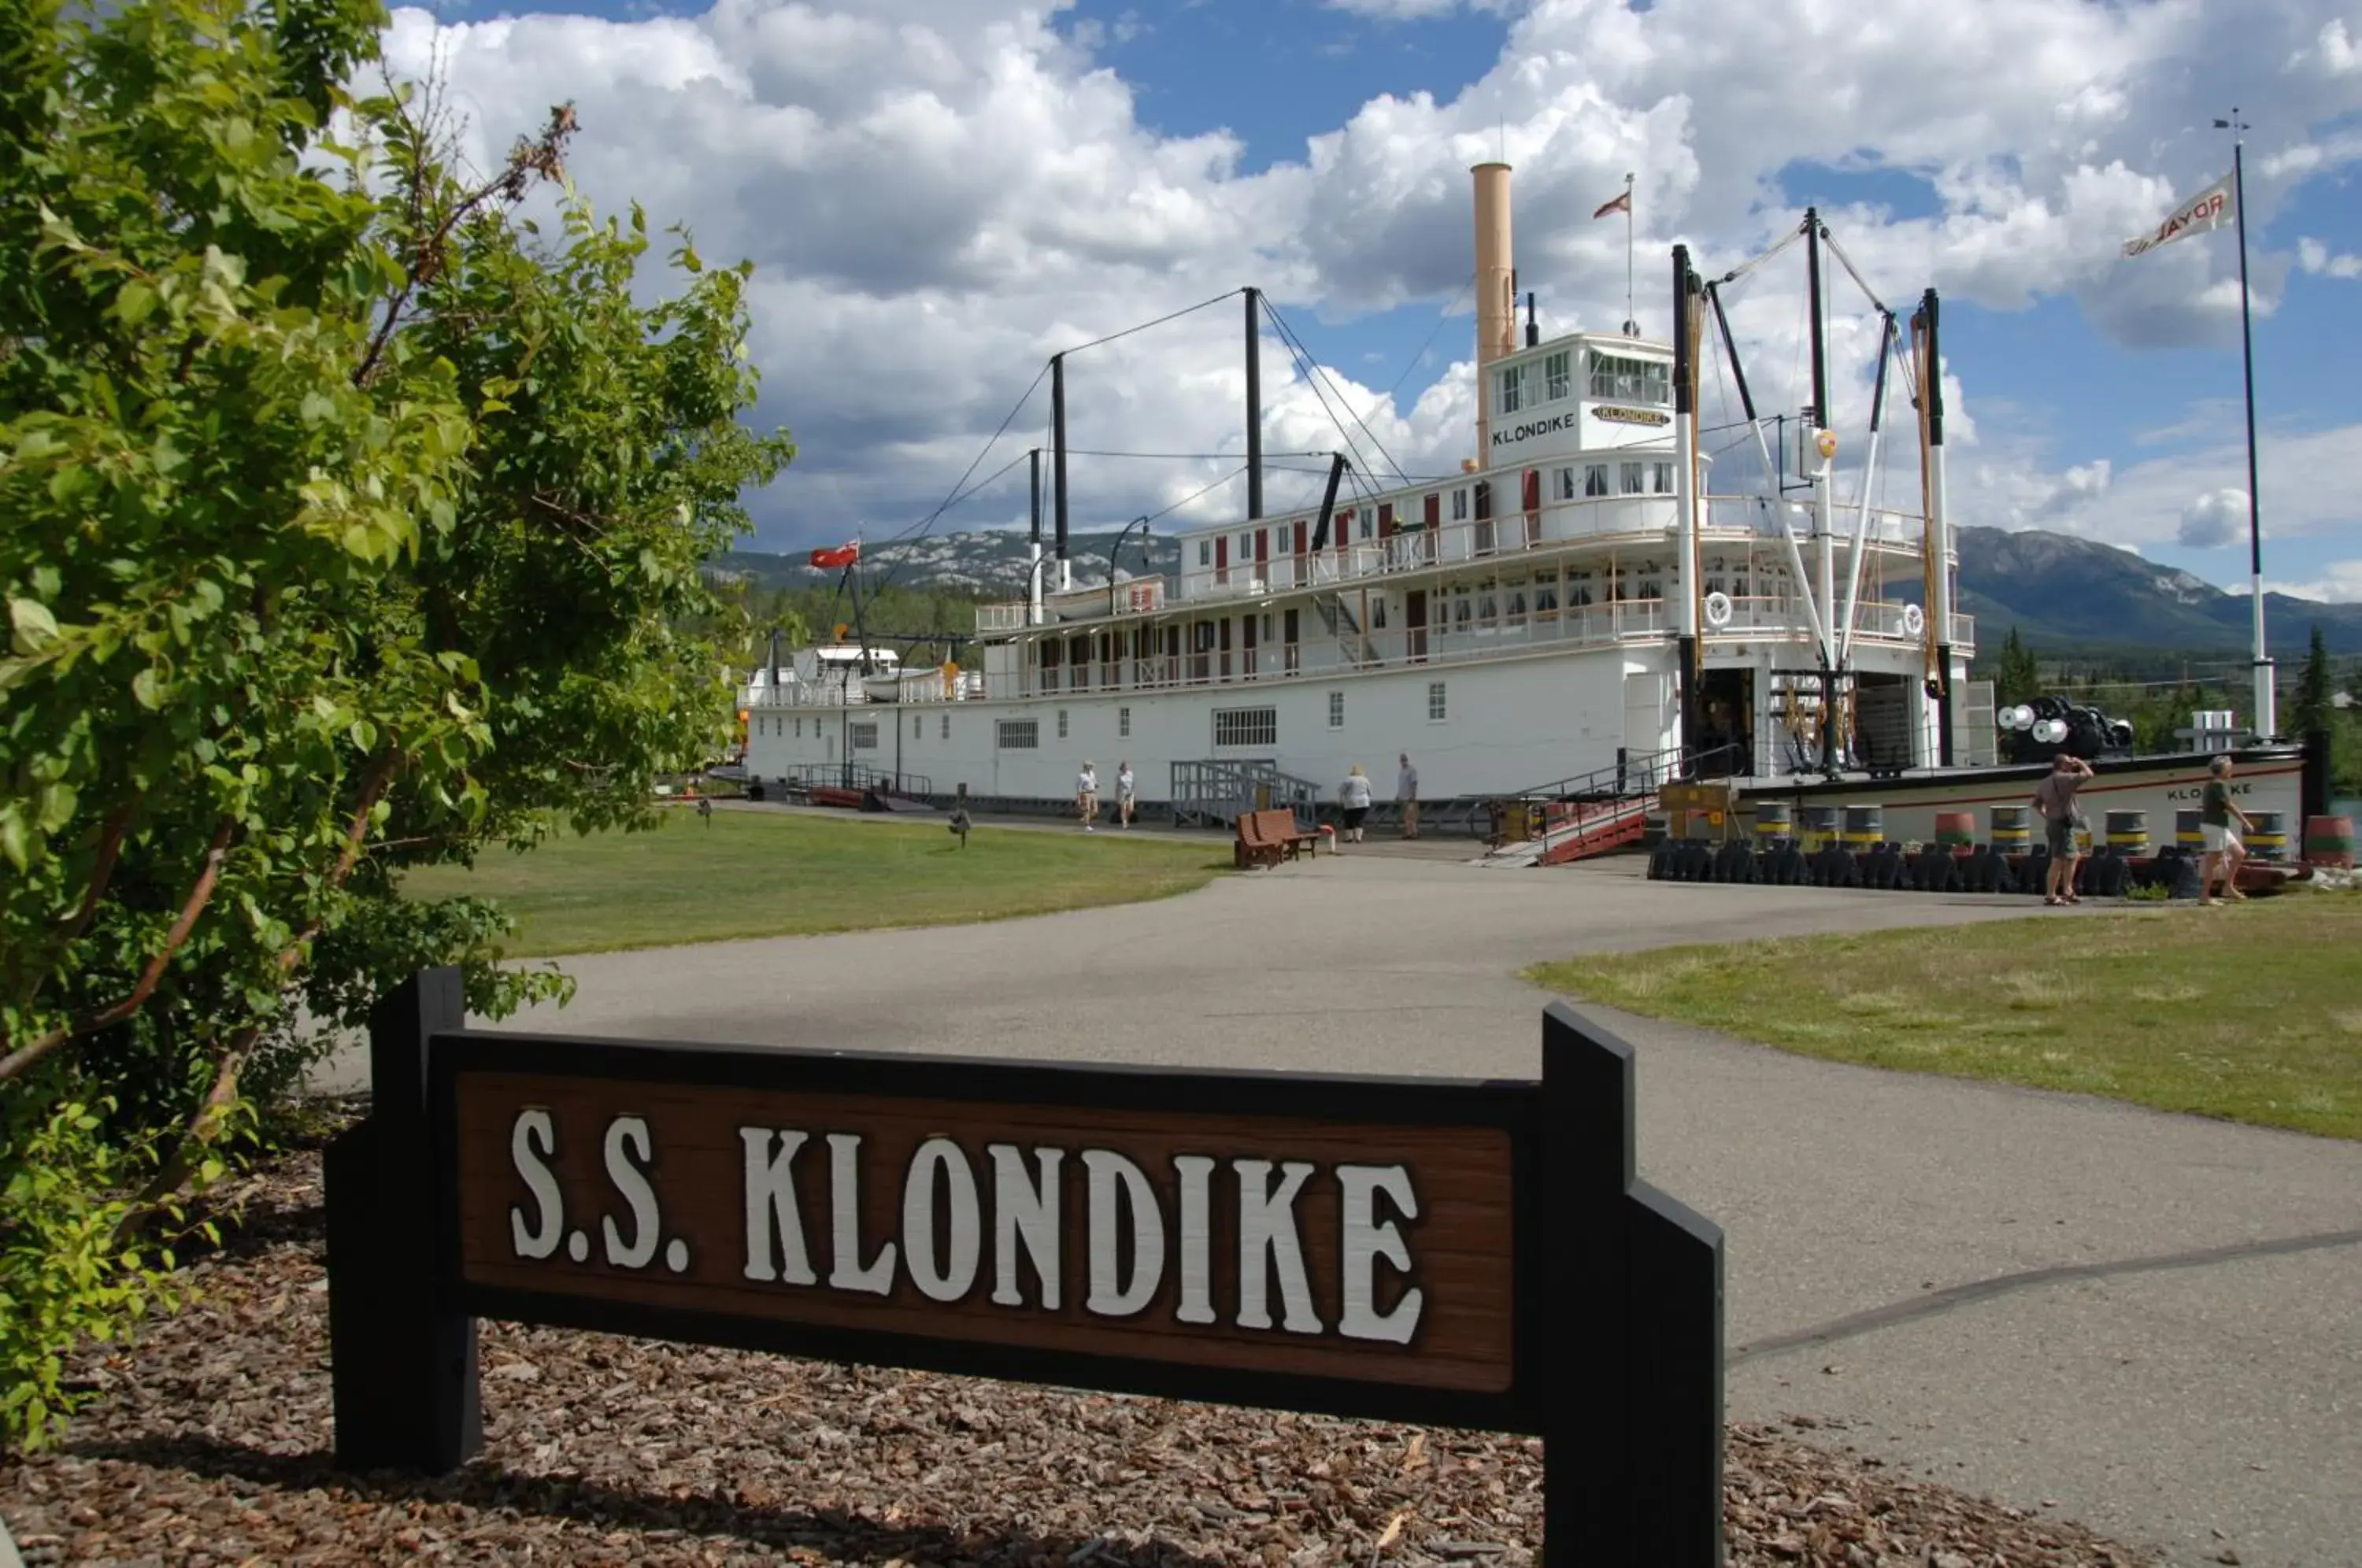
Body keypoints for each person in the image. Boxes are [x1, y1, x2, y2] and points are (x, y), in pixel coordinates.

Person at [2031, 752, 2094, 906]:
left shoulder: (2044, 782)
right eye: (2069, 763)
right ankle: (2051, 895)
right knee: (2058, 860)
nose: (2072, 766)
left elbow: (2036, 805)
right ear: (2064, 765)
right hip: (2062, 825)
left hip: (2053, 824)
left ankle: (2067, 890)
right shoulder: (2065, 779)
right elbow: (2089, 774)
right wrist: (2079, 762)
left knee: (2073, 856)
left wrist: (2047, 817)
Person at [2199, 753, 2253, 905]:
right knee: (2213, 862)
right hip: (2215, 827)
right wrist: (2245, 822)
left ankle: (2228, 887)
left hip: (2219, 827)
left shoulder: (2211, 784)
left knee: (2238, 853)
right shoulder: (2218, 785)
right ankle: (2204, 896)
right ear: (2222, 770)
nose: (2231, 772)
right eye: (2229, 769)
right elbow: (2230, 805)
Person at [1338, 764, 1373, 844]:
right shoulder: (1365, 780)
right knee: (1359, 820)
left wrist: (1340, 800)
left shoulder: (1348, 780)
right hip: (1363, 802)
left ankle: (1349, 838)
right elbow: (1370, 792)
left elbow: (1342, 791)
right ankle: (1358, 838)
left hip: (1351, 802)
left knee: (1349, 820)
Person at [1397, 753, 1420, 839]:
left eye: (1404, 760)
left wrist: (1413, 795)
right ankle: (1409, 832)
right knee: (1406, 817)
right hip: (1402, 797)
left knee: (1411, 816)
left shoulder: (1411, 770)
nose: (1403, 762)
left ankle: (1414, 832)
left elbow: (1414, 783)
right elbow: (1402, 784)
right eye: (1402, 760)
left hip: (1409, 797)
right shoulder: (1402, 771)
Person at [1076, 761, 1098, 831]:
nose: (1092, 768)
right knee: (1087, 810)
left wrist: (1096, 784)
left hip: (1093, 793)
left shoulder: (1092, 774)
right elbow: (1079, 787)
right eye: (1090, 766)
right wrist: (1079, 798)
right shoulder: (1082, 776)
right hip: (1086, 793)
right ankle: (1087, 826)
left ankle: (1085, 818)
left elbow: (1094, 782)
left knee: (1095, 810)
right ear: (1086, 767)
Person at [1116, 760, 1136, 829]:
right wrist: (1117, 797)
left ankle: (1126, 819)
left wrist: (1133, 793)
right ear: (1122, 767)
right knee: (1123, 809)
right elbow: (1117, 787)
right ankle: (1124, 822)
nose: (1127, 768)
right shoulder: (1119, 776)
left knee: (1131, 809)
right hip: (1122, 793)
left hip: (1130, 793)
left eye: (1127, 766)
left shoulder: (1131, 774)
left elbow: (1133, 784)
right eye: (1125, 766)